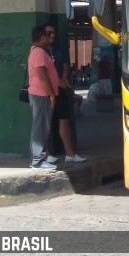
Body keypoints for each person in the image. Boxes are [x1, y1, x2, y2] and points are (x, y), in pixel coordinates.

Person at [44, 23, 86, 164]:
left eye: (54, 32)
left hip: (61, 90)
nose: (52, 35)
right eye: (49, 33)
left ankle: (70, 154)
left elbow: (64, 66)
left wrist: (64, 75)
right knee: (45, 123)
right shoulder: (40, 52)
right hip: (46, 91)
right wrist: (57, 81)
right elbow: (42, 74)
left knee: (64, 121)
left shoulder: (57, 51)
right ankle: (46, 154)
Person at [27, 25, 58, 171]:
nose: (49, 38)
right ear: (42, 37)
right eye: (47, 35)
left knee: (41, 126)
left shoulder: (37, 52)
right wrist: (51, 94)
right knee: (40, 126)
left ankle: (39, 157)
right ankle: (37, 161)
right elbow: (42, 76)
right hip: (41, 93)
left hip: (39, 93)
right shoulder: (39, 52)